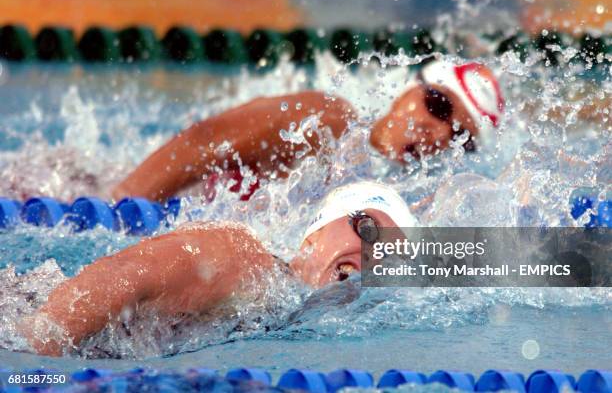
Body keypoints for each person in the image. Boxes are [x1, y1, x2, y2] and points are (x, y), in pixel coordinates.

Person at [20, 182, 418, 357]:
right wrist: (36, 370)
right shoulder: (244, 257)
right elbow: (121, 275)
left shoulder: (286, 309)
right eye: (367, 229)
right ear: (312, 235)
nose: (373, 255)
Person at [111, 60, 505, 202]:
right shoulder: (330, 120)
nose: (438, 132)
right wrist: (123, 206)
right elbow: (205, 141)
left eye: (459, 137)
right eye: (439, 104)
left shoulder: (397, 197)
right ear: (409, 87)